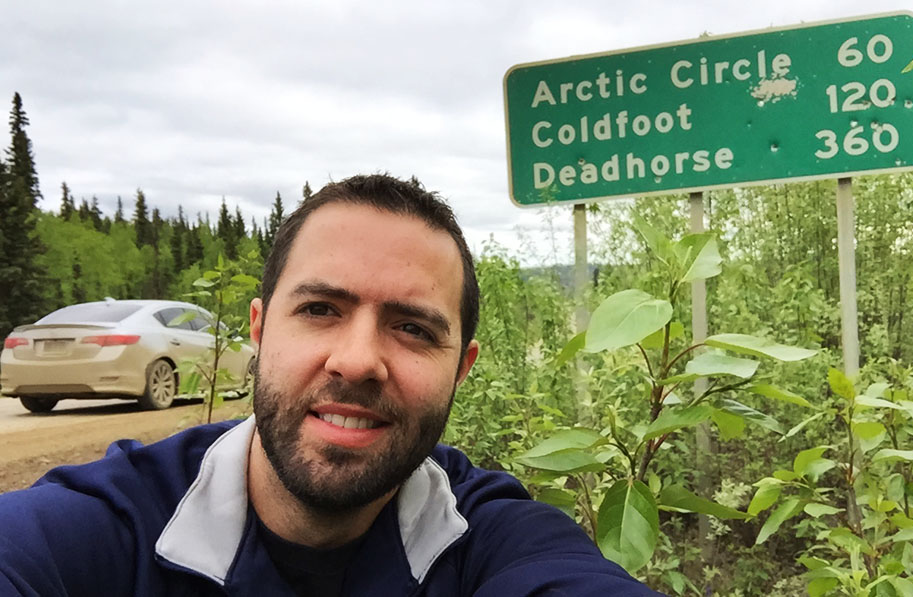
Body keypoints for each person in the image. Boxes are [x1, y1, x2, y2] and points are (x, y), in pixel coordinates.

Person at [0, 174, 661, 596]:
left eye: (412, 328)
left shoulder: (494, 539)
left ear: (462, 368)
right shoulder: (99, 532)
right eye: (320, 309)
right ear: (260, 330)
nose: (357, 360)